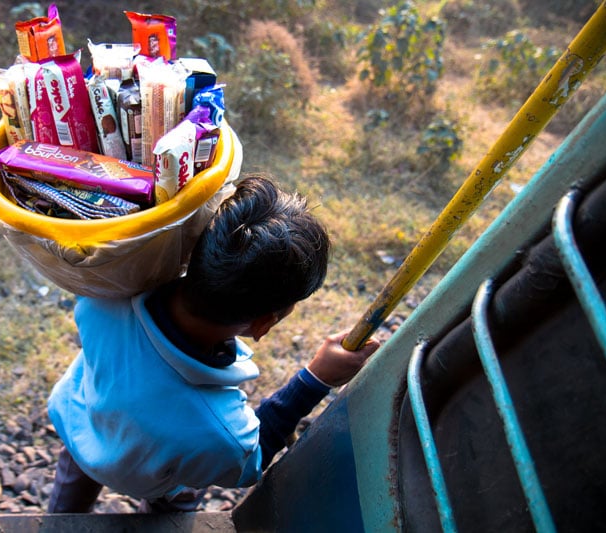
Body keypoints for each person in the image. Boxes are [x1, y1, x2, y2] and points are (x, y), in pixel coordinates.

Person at [46, 174, 380, 513]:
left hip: (80, 421)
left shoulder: (103, 300)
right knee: (181, 499)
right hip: (148, 478)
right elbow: (253, 456)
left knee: (72, 482)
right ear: (263, 324)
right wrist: (315, 379)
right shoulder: (218, 432)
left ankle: (60, 522)